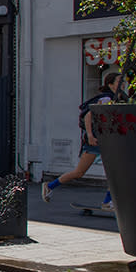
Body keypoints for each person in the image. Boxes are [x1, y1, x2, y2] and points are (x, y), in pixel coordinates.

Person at [42, 71, 123, 209]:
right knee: (79, 172)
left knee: (113, 172)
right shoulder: (106, 99)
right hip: (96, 141)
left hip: (107, 141)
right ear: (110, 84)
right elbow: (88, 115)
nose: (123, 84)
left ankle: (107, 202)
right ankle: (49, 186)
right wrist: (90, 135)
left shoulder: (118, 98)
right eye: (119, 81)